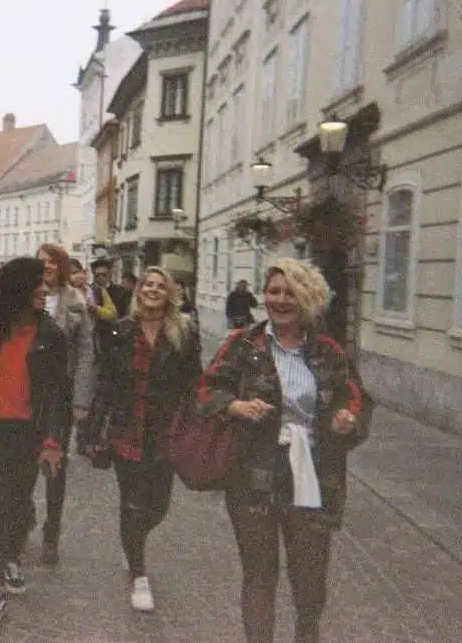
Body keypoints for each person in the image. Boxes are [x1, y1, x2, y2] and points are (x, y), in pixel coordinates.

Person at [197, 258, 373, 643]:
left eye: (289, 291)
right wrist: (234, 406)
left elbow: (357, 399)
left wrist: (347, 419)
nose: (279, 299)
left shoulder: (329, 352)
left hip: (313, 473)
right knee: (259, 574)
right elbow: (205, 390)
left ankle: (306, 634)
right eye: (273, 291)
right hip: (253, 474)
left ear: (307, 298)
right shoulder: (243, 345)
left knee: (309, 580)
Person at [84, 266, 202, 611]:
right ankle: (138, 573)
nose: (152, 290)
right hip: (126, 427)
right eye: (147, 284)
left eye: (159, 286)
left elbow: (195, 381)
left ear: (169, 294)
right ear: (138, 292)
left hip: (164, 431)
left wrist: (200, 421)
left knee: (158, 505)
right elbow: (105, 382)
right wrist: (92, 428)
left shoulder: (184, 333)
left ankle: (132, 540)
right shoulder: (121, 331)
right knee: (132, 500)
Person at [0, 257, 69, 626]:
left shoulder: (53, 337)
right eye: (38, 283)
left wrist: (53, 440)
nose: (45, 290)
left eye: (46, 283)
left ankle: (10, 557)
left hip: (28, 433)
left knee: (19, 504)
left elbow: (57, 394)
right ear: (18, 289)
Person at [31, 244, 96, 565]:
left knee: (56, 463)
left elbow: (86, 353)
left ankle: (51, 530)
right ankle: (24, 516)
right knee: (24, 458)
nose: (47, 267)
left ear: (62, 265)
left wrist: (82, 399)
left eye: (52, 261)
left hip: (62, 391)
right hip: (28, 392)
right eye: (41, 262)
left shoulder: (75, 300)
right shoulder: (26, 295)